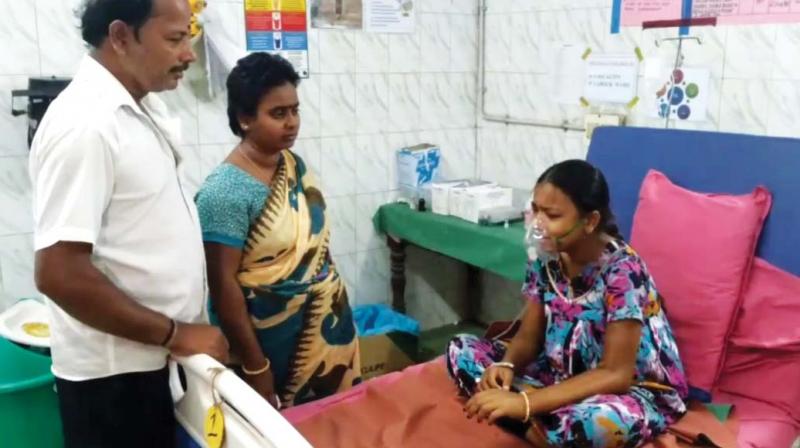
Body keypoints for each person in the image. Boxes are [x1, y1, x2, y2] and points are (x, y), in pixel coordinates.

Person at [29, 1, 229, 447]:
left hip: (153, 364)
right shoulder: (86, 124)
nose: (189, 54)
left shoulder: (139, 108)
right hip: (115, 382)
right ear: (120, 37)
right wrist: (175, 333)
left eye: (189, 38)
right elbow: (59, 273)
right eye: (175, 40)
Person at [446, 160, 688, 447]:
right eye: (535, 209)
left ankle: (533, 419)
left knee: (594, 426)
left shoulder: (623, 272)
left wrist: (525, 403)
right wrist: (506, 364)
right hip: (558, 374)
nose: (538, 224)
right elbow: (528, 336)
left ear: (590, 221)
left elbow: (616, 374)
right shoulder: (545, 257)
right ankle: (538, 421)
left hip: (630, 390)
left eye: (552, 215)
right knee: (461, 349)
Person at [195, 52, 361, 409]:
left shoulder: (292, 165)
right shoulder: (225, 192)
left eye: (295, 110)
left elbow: (315, 248)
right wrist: (257, 366)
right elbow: (223, 286)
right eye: (278, 113)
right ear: (244, 119)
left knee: (334, 424)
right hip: (266, 341)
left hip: (325, 327)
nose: (292, 123)